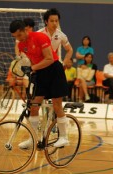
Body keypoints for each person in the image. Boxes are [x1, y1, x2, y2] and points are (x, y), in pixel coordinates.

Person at [10, 19, 69, 148]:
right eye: (15, 37)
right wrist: (28, 69)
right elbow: (32, 61)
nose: (18, 39)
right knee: (34, 106)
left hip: (54, 70)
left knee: (57, 104)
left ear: (25, 30)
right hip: (40, 73)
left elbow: (49, 59)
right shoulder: (21, 45)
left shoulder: (40, 37)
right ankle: (33, 139)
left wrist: (32, 68)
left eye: (19, 35)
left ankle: (64, 137)